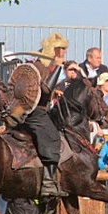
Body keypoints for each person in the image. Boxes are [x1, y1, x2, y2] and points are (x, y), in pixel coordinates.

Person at [23, 31, 70, 197]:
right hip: (34, 111)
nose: (64, 54)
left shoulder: (43, 67)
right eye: (62, 50)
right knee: (52, 136)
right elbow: (44, 89)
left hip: (41, 109)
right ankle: (48, 182)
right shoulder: (39, 67)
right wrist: (58, 67)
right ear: (54, 51)